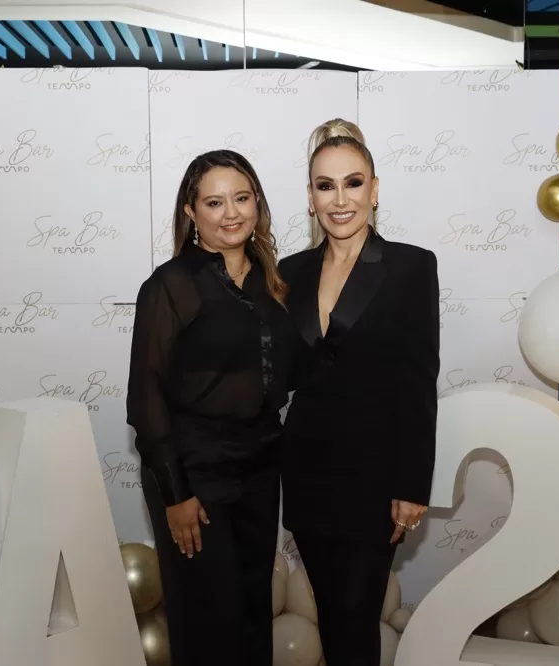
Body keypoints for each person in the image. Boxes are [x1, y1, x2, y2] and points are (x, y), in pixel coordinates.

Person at [278, 119, 440, 665]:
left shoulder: (410, 267)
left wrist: (412, 485)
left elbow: (418, 379)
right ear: (310, 198)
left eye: (353, 183)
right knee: (332, 618)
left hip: (375, 481)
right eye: (326, 186)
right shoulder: (290, 272)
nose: (340, 199)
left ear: (374, 189)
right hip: (307, 475)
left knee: (356, 622)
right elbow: (281, 371)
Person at [126, 150, 297, 666]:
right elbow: (146, 397)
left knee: (252, 616)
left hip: (260, 472)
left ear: (257, 202)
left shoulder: (273, 282)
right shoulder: (170, 285)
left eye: (241, 198)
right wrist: (176, 493)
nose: (231, 213)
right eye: (214, 202)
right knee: (207, 623)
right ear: (190, 211)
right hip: (194, 475)